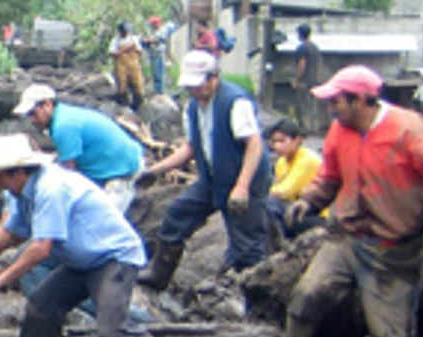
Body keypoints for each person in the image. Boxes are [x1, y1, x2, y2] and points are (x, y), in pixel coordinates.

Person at [260, 65, 423, 337]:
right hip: (345, 238)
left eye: (336, 101)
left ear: (359, 100)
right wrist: (310, 200)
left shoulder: (407, 128)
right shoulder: (338, 132)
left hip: (392, 248)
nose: (330, 108)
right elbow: (328, 176)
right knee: (308, 294)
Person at [0, 134, 179, 337]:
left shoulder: (51, 189)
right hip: (81, 261)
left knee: (112, 330)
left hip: (112, 258)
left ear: (17, 172)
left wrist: (1, 279)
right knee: (41, 306)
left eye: (1, 175)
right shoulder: (22, 192)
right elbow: (12, 234)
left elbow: (41, 248)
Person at [137, 50, 271, 287]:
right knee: (178, 212)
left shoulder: (234, 101)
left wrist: (242, 186)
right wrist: (154, 171)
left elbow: (254, 143)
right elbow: (190, 147)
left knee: (247, 245)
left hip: (244, 180)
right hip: (213, 178)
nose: (195, 91)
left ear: (214, 77)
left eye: (199, 85)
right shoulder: (193, 108)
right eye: (191, 86)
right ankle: (160, 274)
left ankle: (255, 301)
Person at [14, 84, 144, 211]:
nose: (31, 119)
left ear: (47, 105)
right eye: (28, 115)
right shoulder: (65, 115)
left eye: (33, 113)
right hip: (119, 163)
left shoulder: (63, 126)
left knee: (101, 223)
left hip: (121, 172)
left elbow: (70, 174)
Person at [264, 117, 324, 237]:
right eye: (274, 142)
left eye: (282, 141)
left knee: (268, 203)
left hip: (314, 214)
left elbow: (284, 192)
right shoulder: (281, 162)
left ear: (297, 140)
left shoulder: (307, 160)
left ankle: (280, 242)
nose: (277, 146)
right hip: (293, 209)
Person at [290, 24, 323, 127]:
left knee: (303, 105)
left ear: (300, 34)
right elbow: (319, 65)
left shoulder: (302, 48)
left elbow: (302, 64)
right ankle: (314, 126)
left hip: (304, 82)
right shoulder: (315, 48)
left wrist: (297, 79)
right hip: (314, 81)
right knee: (313, 105)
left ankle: (306, 127)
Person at [109, 21, 145, 111]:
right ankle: (123, 106)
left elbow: (140, 52)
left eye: (126, 32)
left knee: (138, 87)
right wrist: (123, 51)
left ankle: (137, 106)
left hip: (134, 66)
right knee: (122, 86)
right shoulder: (115, 40)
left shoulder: (134, 39)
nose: (125, 34)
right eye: (123, 32)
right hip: (121, 67)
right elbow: (111, 52)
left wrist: (134, 49)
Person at [142, 16, 171, 96]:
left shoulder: (162, 31)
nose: (152, 26)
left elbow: (156, 40)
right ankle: (156, 90)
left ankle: (160, 91)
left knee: (159, 73)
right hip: (153, 54)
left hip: (159, 54)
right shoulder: (154, 32)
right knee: (155, 74)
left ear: (157, 24)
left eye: (153, 24)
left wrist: (149, 40)